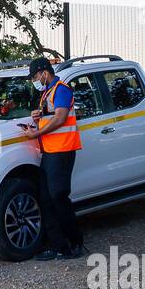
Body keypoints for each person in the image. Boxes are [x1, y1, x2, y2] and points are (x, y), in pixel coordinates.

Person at [21, 57, 84, 260]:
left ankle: (74, 243)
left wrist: (36, 134)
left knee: (58, 196)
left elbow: (60, 117)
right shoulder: (47, 93)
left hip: (63, 151)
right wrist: (37, 117)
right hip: (49, 151)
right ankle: (58, 246)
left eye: (35, 76)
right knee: (46, 199)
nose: (34, 80)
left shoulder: (61, 89)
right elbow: (50, 116)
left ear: (44, 72)